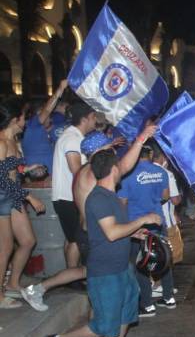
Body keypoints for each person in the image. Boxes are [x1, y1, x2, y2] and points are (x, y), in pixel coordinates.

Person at [43, 150, 162, 337]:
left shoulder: (112, 197)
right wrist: (142, 219)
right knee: (103, 325)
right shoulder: (98, 198)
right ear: (114, 169)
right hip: (105, 272)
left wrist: (134, 233)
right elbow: (111, 232)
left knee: (126, 317)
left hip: (122, 268)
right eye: (119, 165)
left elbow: (114, 230)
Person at [22, 125, 154, 322]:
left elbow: (123, 167)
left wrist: (140, 140)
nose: (114, 153)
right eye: (110, 148)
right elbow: (124, 167)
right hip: (95, 234)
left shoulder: (89, 170)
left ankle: (37, 289)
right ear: (100, 151)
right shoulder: (93, 172)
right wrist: (141, 139)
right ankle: (95, 332)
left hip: (91, 232)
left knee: (87, 272)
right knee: (99, 281)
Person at [117, 142, 174, 317]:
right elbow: (165, 196)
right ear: (149, 155)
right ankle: (169, 297)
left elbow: (122, 204)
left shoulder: (127, 176)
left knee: (140, 264)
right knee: (163, 258)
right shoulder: (161, 172)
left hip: (136, 226)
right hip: (157, 221)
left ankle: (147, 305)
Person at [0, 97, 46, 308]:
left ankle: (13, 283)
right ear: (14, 119)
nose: (26, 121)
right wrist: (28, 196)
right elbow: (1, 178)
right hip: (3, 198)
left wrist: (26, 169)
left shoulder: (13, 141)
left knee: (28, 241)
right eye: (23, 118)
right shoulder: (1, 142)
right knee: (5, 247)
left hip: (13, 194)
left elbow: (12, 170)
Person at [51, 102, 99, 271]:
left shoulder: (75, 137)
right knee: (76, 240)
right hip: (68, 197)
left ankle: (71, 272)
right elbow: (76, 171)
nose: (96, 121)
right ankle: (73, 276)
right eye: (93, 117)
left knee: (71, 238)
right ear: (84, 119)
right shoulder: (72, 139)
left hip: (68, 196)